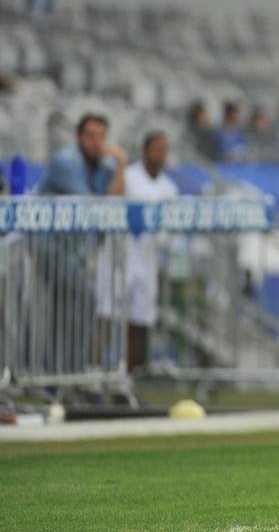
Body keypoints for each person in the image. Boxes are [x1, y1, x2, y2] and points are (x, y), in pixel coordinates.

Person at [115, 131, 178, 370]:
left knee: (139, 321)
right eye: (157, 149)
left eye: (164, 150)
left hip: (147, 260)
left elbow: (168, 231)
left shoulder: (168, 188)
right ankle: (96, 376)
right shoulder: (129, 177)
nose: (161, 155)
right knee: (109, 318)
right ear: (145, 150)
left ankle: (127, 378)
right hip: (121, 256)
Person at [38, 113, 126, 196]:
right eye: (91, 136)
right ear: (78, 137)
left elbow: (116, 203)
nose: (96, 143)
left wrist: (121, 164)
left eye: (101, 136)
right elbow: (86, 204)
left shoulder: (105, 163)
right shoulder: (65, 161)